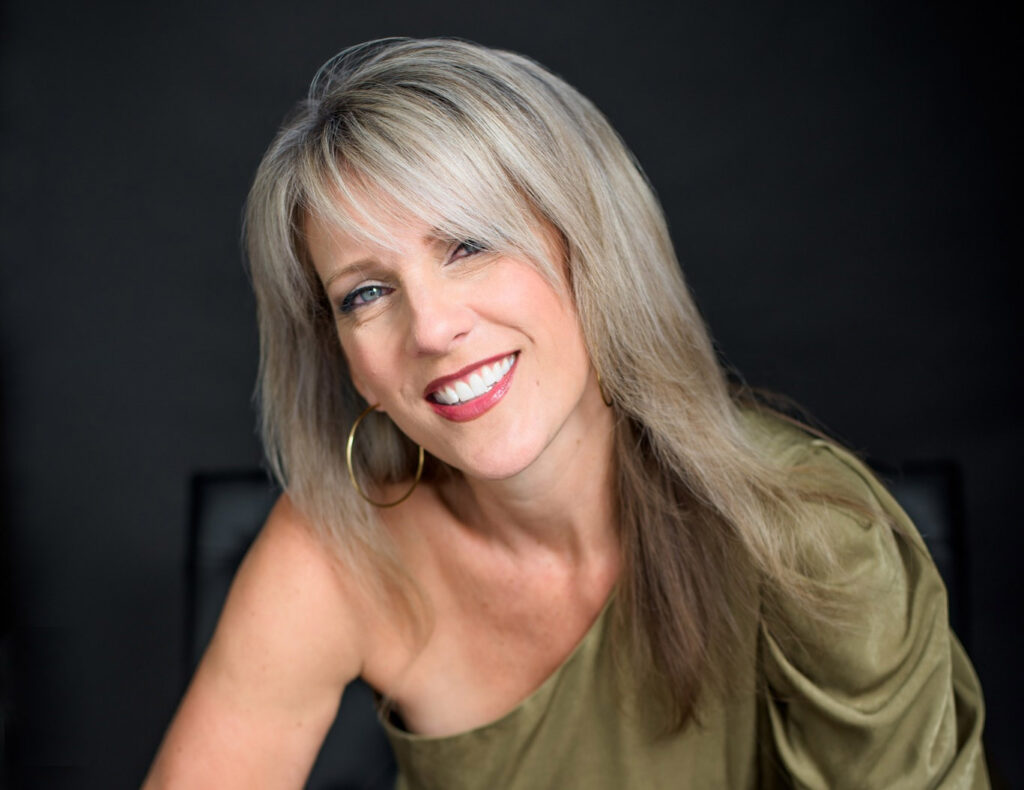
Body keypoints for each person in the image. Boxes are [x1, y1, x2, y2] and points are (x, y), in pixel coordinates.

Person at [144, 38, 988, 788]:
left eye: (469, 244)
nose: (432, 328)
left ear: (591, 248)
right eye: (366, 292)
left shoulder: (815, 540)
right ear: (345, 359)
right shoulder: (336, 550)